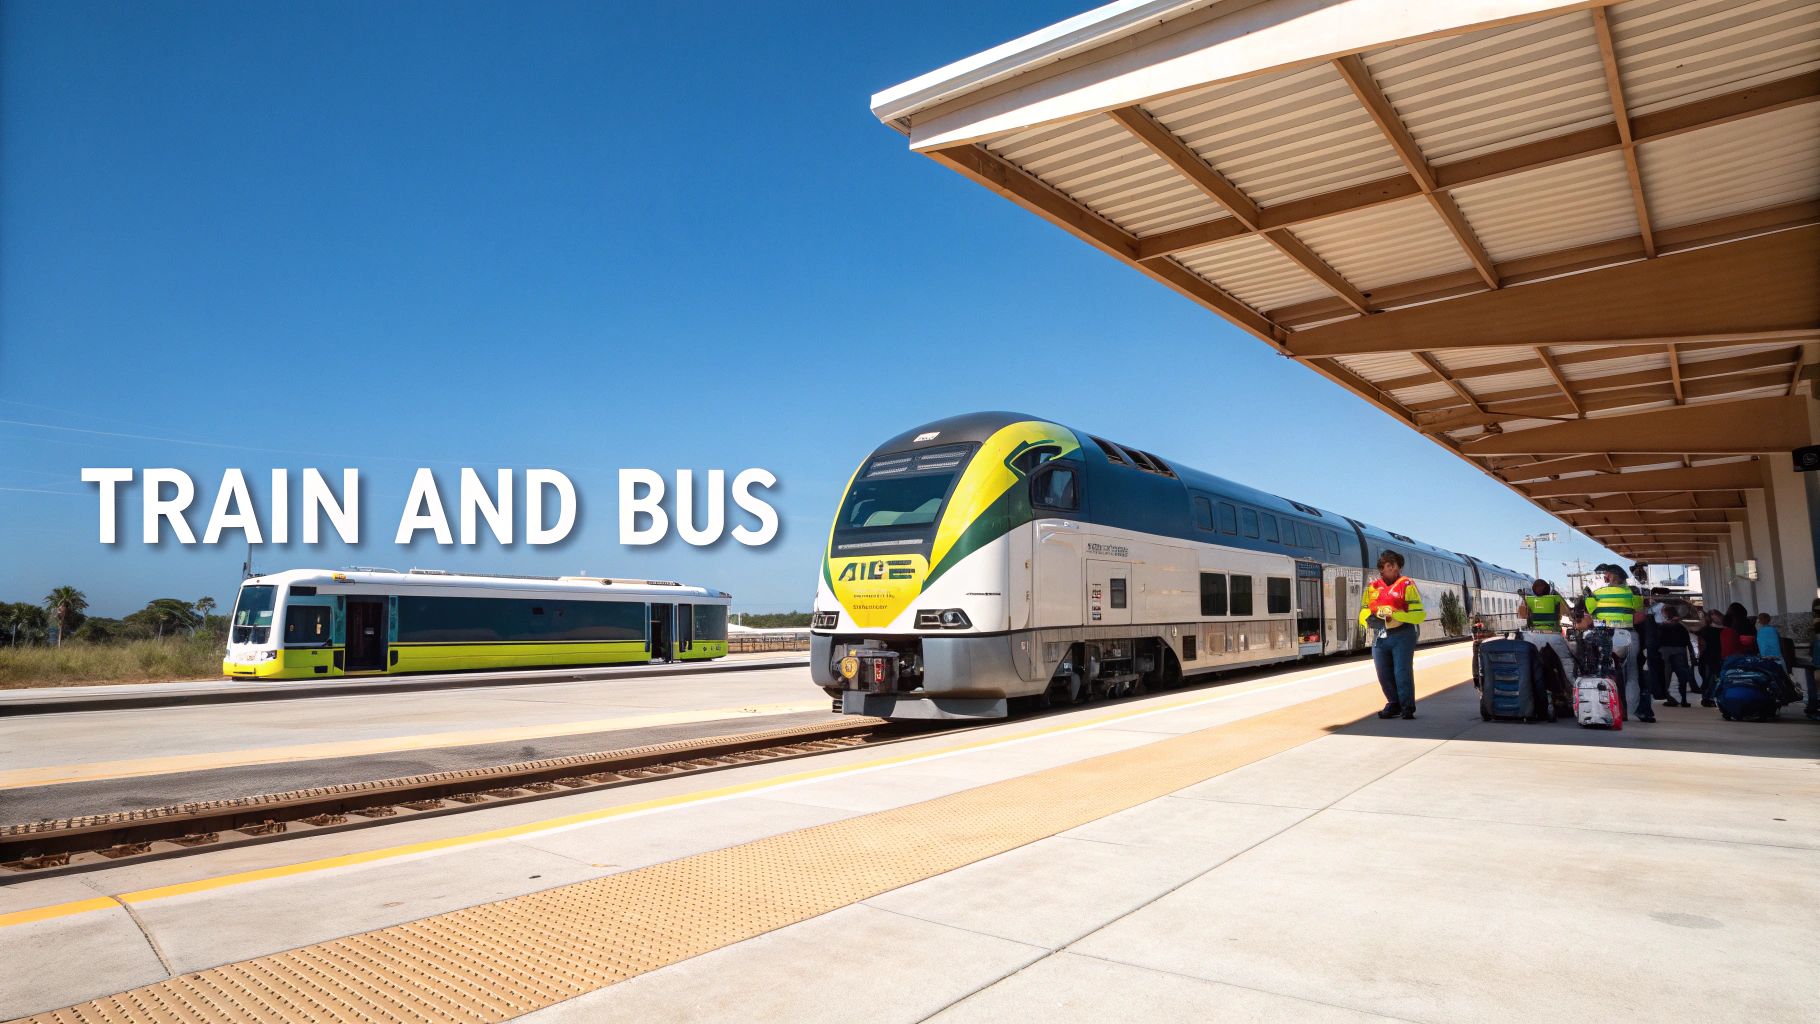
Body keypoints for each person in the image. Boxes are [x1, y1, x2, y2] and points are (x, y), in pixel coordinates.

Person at [1578, 563, 1651, 723]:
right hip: (1628, 634)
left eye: (1605, 575)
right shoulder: (1633, 593)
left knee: (1605, 674)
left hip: (1605, 636)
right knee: (1632, 675)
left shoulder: (1597, 594)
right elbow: (1640, 617)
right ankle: (1630, 713)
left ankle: (1608, 709)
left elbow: (1588, 620)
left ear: (1610, 576)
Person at [1360, 549, 1426, 720]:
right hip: (1380, 634)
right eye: (1390, 565)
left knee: (1401, 671)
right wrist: (1369, 619)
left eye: (1397, 565)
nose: (1395, 569)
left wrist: (1394, 614)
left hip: (1403, 634)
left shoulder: (1407, 585)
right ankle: (1393, 703)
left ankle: (1407, 706)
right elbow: (1363, 612)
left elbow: (1419, 615)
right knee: (1383, 673)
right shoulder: (1372, 588)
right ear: (1381, 569)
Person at [1654, 601, 1697, 706]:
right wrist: (1692, 654)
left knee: (1666, 677)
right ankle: (1683, 699)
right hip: (1680, 651)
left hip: (1666, 651)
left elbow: (1657, 638)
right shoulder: (1681, 625)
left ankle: (1670, 698)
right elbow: (1687, 640)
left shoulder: (1662, 626)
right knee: (1682, 676)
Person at [1697, 609, 1725, 707]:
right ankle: (1707, 697)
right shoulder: (1708, 630)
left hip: (1714, 655)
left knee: (1711, 677)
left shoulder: (1706, 630)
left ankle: (1708, 696)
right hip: (1710, 656)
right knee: (1710, 677)